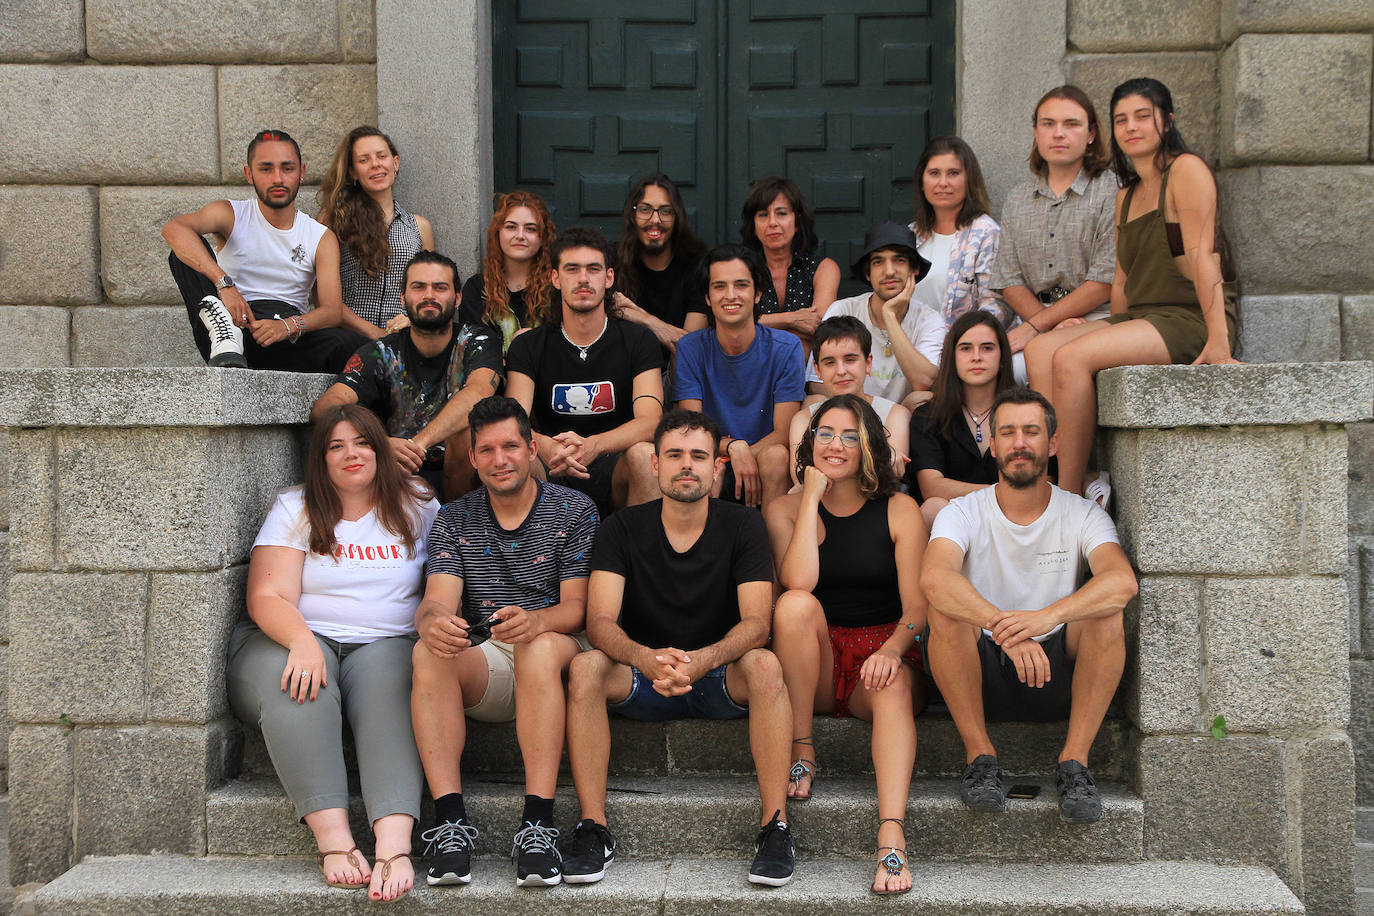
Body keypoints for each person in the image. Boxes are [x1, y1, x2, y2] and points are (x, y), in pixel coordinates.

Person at [562, 409, 796, 886]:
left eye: (698, 456)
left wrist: (704, 659)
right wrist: (646, 658)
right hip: (646, 672)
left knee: (766, 664)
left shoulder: (743, 526)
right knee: (586, 666)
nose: (686, 465)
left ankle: (776, 825)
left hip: (717, 673)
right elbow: (599, 621)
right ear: (654, 465)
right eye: (674, 455)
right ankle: (593, 827)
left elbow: (757, 622)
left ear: (717, 468)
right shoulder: (621, 528)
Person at [227, 403, 439, 903]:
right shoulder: (294, 506)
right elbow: (266, 596)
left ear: (380, 448)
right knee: (298, 683)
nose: (351, 454)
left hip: (387, 640)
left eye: (362, 442)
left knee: (393, 690)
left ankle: (392, 844)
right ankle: (334, 840)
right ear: (320, 459)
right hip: (292, 634)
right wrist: (302, 642)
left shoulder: (420, 503)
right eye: (335, 446)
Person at [920, 387, 1136, 825]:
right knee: (944, 609)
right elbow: (935, 578)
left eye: (1032, 432)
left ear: (1052, 444)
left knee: (1106, 614)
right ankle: (980, 758)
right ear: (993, 444)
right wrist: (1006, 629)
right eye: (1009, 432)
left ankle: (1075, 763)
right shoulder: (961, 512)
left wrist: (1045, 618)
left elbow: (1121, 581)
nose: (1020, 442)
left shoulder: (1082, 514)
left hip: (1054, 671)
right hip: (978, 670)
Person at [409, 396, 598, 889]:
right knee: (427, 650)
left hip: (556, 647)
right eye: (487, 450)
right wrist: (430, 621)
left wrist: (535, 622)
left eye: (511, 446)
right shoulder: (455, 517)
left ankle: (538, 824)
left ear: (533, 448)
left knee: (537, 648)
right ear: (471, 458)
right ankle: (450, 825)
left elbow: (579, 608)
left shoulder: (573, 509)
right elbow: (437, 601)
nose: (500, 459)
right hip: (490, 656)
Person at [1024, 77, 1240, 500]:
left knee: (1070, 357)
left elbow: (1203, 256)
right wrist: (1103, 328)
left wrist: (1219, 341)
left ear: (1168, 120)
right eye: (1121, 119)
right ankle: (1067, 472)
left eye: (1143, 116)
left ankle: (1065, 501)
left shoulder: (1186, 170)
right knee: (1041, 348)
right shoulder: (1127, 195)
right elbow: (1122, 281)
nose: (1131, 127)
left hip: (1188, 318)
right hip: (1142, 318)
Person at [765, 394, 928, 895]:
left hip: (884, 653)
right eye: (826, 434)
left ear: (870, 446)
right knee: (793, 606)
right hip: (816, 657)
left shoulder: (900, 510)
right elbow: (798, 581)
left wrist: (893, 651)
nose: (836, 445)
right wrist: (811, 498)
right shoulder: (783, 509)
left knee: (894, 685)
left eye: (850, 436)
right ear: (810, 442)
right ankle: (802, 746)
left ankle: (891, 836)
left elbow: (918, 610)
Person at [163, 129, 375, 372]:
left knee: (353, 346)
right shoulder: (231, 214)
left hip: (285, 333)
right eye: (266, 169)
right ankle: (226, 335)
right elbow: (174, 229)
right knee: (185, 251)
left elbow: (331, 311)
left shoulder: (320, 236)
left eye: (287, 168)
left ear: (301, 173)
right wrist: (225, 285)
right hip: (230, 324)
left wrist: (288, 326)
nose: (278, 178)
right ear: (249, 174)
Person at [310, 250, 502, 500]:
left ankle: (458, 528)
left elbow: (479, 392)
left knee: (465, 432)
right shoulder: (381, 352)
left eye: (440, 287)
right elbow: (325, 407)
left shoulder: (478, 340)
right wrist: (376, 441)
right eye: (419, 287)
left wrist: (418, 443)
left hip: (466, 475)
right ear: (403, 298)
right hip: (396, 472)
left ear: (457, 299)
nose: (429, 295)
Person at [504, 226, 664, 514]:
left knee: (645, 454)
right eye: (572, 269)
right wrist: (548, 447)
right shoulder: (529, 346)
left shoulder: (638, 340)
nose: (583, 279)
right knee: (519, 453)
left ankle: (641, 556)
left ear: (609, 278)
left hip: (614, 464)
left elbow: (651, 422)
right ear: (555, 278)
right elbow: (513, 419)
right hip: (550, 463)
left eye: (593, 269)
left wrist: (595, 445)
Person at [993, 87, 1117, 382]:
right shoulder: (1018, 198)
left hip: (1097, 318)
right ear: (1036, 132)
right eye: (1048, 124)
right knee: (987, 374)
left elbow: (1104, 281)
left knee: (1037, 369)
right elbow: (1009, 280)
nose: (1058, 133)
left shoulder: (1112, 190)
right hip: (1036, 317)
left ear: (1091, 134)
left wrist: (1040, 327)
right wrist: (1045, 323)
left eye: (1071, 124)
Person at [674, 244, 803, 508]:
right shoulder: (690, 349)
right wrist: (731, 449)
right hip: (710, 460)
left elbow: (783, 433)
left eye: (741, 285)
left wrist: (740, 451)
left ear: (757, 294)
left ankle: (771, 547)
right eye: (719, 286)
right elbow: (691, 428)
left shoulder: (787, 348)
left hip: (761, 463)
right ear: (707, 297)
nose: (730, 295)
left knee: (777, 456)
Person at [807, 222, 941, 410]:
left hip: (903, 421)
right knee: (811, 403)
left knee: (923, 399)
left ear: (914, 270)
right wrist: (867, 409)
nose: (889, 271)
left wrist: (890, 317)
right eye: (878, 262)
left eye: (899, 260)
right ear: (868, 273)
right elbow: (816, 384)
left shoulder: (929, 319)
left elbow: (924, 382)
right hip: (849, 414)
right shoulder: (843, 310)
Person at [317, 125, 435, 333]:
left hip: (404, 341)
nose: (375, 165)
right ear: (352, 171)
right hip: (348, 339)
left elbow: (430, 290)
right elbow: (320, 294)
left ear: (395, 162)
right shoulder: (334, 220)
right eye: (364, 160)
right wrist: (372, 332)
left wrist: (413, 321)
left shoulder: (419, 227)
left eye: (382, 156)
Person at [907, 310, 1018, 528]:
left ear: (1002, 357)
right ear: (953, 357)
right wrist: (1004, 491)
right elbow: (932, 488)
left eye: (987, 348)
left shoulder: (1023, 411)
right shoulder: (927, 416)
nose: (976, 357)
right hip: (954, 526)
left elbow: (1046, 481)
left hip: (1014, 519)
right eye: (966, 348)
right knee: (933, 507)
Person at [784, 317, 911, 480]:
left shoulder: (894, 414)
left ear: (868, 362)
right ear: (817, 369)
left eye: (850, 360)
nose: (841, 371)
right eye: (830, 362)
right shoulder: (804, 419)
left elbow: (890, 474)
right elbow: (801, 478)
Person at [908, 136, 1013, 331]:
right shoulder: (910, 235)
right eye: (934, 173)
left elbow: (996, 305)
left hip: (965, 348)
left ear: (969, 180)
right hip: (912, 345)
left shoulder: (986, 234)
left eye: (953, 173)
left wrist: (962, 340)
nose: (943, 183)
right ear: (922, 181)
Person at [740, 175, 841, 355]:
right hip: (749, 376)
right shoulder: (741, 269)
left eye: (781, 213)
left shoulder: (823, 268)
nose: (772, 223)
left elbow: (817, 328)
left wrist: (755, 327)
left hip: (806, 377)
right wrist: (791, 319)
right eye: (763, 215)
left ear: (797, 222)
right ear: (753, 225)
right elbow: (727, 323)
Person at [611, 174, 711, 350]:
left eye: (665, 211)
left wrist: (638, 315)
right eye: (645, 209)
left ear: (677, 217)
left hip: (676, 371)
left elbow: (687, 346)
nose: (655, 220)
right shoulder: (613, 259)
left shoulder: (697, 265)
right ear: (632, 215)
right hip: (625, 366)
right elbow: (602, 305)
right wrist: (651, 323)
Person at [459, 191, 556, 352]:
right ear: (498, 233)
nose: (520, 236)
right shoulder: (477, 289)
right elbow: (474, 350)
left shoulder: (557, 287)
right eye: (511, 227)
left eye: (530, 229)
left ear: (543, 237)